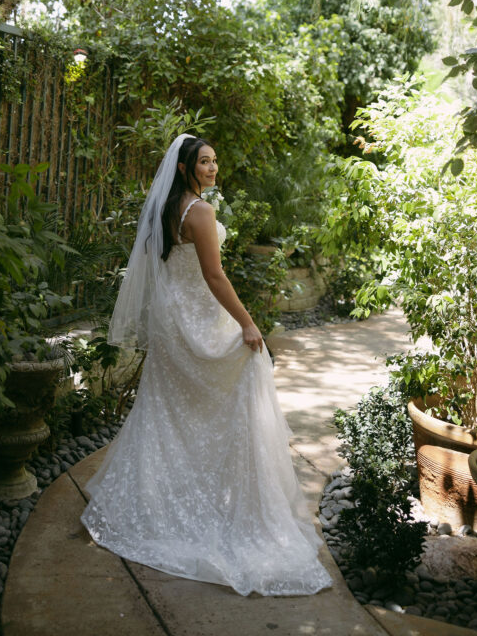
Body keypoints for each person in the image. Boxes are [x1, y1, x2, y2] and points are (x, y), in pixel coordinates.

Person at [81, 133, 332, 597]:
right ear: (183, 168)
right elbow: (214, 276)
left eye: (216, 160)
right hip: (193, 318)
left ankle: (158, 497)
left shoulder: (170, 206)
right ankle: (239, 505)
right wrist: (249, 324)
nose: (213, 168)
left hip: (172, 317)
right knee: (248, 368)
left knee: (168, 408)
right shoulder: (201, 212)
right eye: (204, 162)